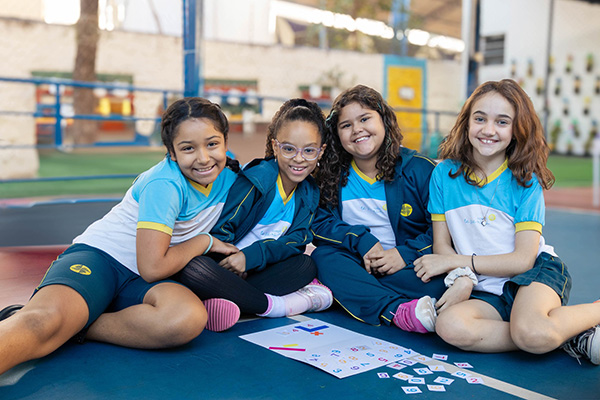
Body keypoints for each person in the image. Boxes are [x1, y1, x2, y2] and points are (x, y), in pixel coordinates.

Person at [0, 97, 242, 376]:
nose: (203, 157)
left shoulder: (233, 176)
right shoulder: (165, 184)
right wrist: (205, 242)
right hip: (103, 260)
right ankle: (48, 319)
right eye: (188, 148)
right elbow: (153, 268)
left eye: (212, 144)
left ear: (225, 141)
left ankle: (79, 323)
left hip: (142, 278)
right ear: (172, 154)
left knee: (184, 319)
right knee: (43, 323)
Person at [413, 79, 600, 365]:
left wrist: (460, 264)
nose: (488, 130)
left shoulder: (525, 182)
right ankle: (566, 337)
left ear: (516, 130)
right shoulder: (444, 174)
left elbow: (522, 260)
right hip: (486, 287)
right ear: (466, 122)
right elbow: (442, 244)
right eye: (480, 119)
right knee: (449, 326)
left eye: (502, 122)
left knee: (532, 332)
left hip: (533, 275)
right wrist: (463, 278)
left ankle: (582, 317)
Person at [175, 98, 333, 319]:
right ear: (276, 146)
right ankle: (271, 306)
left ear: (321, 151)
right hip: (224, 264)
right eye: (288, 149)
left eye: (309, 151)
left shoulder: (309, 191)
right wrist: (234, 259)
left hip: (256, 267)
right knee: (195, 269)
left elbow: (297, 241)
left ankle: (225, 302)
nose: (299, 158)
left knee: (305, 265)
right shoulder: (258, 179)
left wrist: (250, 258)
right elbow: (221, 230)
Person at [311, 84, 446, 333]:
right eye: (346, 125)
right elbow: (319, 223)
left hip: (409, 268)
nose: (357, 130)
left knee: (440, 282)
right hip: (359, 263)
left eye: (365, 118)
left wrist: (403, 255)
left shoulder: (421, 169)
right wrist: (361, 241)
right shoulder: (331, 175)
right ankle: (398, 311)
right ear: (337, 135)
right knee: (322, 258)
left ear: (384, 121)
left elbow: (442, 230)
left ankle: (357, 293)